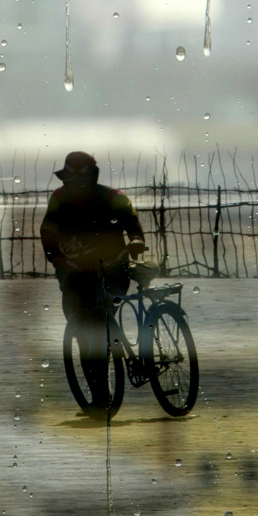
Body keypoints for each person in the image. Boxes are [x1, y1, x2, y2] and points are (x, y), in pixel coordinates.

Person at [40, 151, 148, 411]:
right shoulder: (59, 199)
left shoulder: (114, 198)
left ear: (91, 180)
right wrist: (58, 260)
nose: (72, 187)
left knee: (99, 331)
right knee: (82, 334)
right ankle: (100, 396)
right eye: (69, 181)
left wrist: (135, 242)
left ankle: (101, 398)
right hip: (74, 274)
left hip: (112, 271)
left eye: (77, 182)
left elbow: (133, 225)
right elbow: (47, 232)